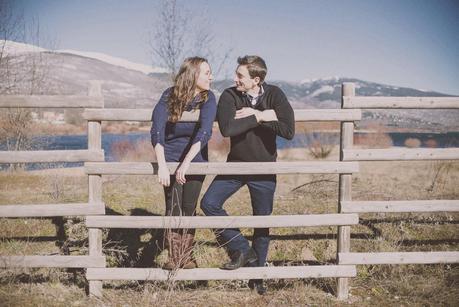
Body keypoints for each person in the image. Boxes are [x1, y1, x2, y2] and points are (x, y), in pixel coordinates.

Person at [200, 55, 295, 294]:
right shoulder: (230, 95)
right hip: (236, 166)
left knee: (261, 223)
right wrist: (262, 116)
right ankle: (241, 248)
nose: (235, 79)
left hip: (264, 170)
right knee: (209, 203)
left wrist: (257, 116)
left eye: (240, 76)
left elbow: (288, 130)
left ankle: (257, 278)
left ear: (256, 79)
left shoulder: (275, 94)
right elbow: (228, 128)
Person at [150, 57, 216, 270]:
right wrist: (162, 164)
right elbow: (157, 129)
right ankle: (174, 258)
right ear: (194, 74)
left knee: (189, 207)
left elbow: (205, 131)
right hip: (169, 158)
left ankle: (185, 258)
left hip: (194, 159)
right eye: (207, 72)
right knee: (173, 207)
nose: (211, 77)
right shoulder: (169, 95)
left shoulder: (208, 98)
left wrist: (186, 164)